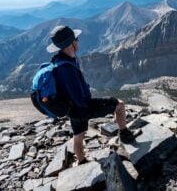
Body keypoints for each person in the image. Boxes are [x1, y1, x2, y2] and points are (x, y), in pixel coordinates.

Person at [46, 25, 139, 165]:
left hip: (71, 109)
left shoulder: (58, 61)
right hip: (81, 108)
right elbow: (79, 97)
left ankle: (82, 161)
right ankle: (124, 134)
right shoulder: (67, 68)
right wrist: (90, 105)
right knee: (119, 104)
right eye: (76, 39)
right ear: (71, 43)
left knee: (78, 135)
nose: (78, 41)